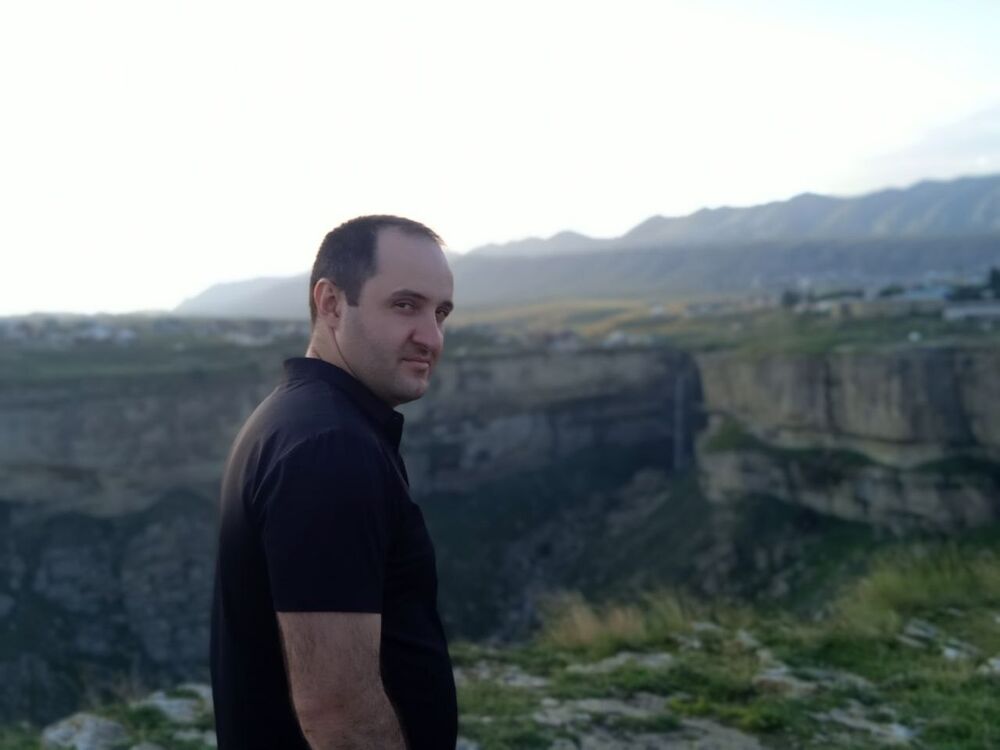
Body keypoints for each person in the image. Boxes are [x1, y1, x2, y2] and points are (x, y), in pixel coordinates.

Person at [210, 215, 458, 749]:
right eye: (405, 305)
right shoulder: (330, 449)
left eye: (440, 313)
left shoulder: (297, 419)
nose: (431, 338)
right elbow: (338, 715)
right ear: (331, 303)